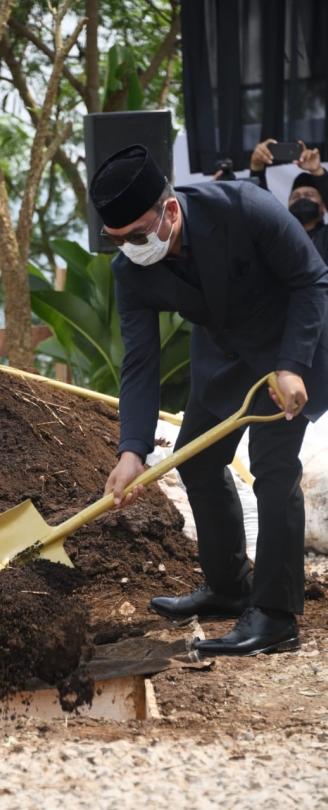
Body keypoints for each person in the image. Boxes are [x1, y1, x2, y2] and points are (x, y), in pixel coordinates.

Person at [89, 143, 328, 657]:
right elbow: (139, 363)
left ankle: (275, 617)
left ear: (170, 210)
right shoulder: (131, 271)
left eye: (136, 235)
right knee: (195, 460)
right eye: (117, 241)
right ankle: (228, 586)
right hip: (224, 357)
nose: (129, 248)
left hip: (292, 346)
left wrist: (289, 367)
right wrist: (131, 451)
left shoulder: (244, 208)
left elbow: (312, 281)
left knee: (272, 466)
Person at [250, 139, 328, 262]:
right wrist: (257, 167)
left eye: (309, 194)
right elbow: (262, 208)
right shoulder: (278, 238)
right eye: (295, 197)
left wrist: (317, 172)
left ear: (324, 206)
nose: (302, 198)